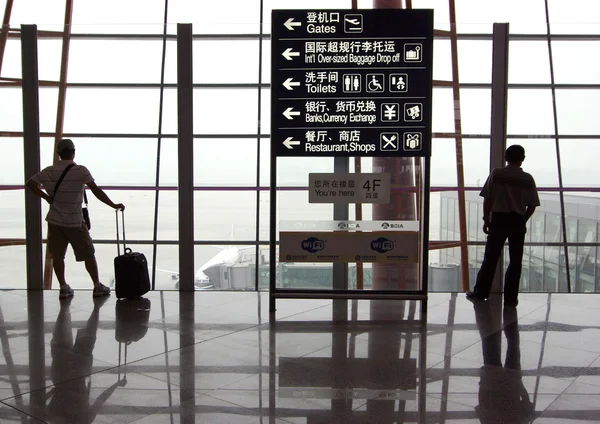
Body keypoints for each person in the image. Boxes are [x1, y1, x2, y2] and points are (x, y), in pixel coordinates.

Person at [25, 138, 125, 299]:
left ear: (58, 154)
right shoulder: (80, 170)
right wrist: (113, 205)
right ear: (73, 152)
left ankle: (63, 287)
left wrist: (46, 197)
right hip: (75, 222)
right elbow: (96, 191)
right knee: (88, 254)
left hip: (55, 221)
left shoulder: (49, 171)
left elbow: (30, 183)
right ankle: (97, 286)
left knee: (58, 255)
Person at [466, 145, 540, 306]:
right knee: (515, 260)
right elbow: (532, 205)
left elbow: (488, 198)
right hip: (518, 221)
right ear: (522, 159)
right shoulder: (528, 179)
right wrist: (523, 219)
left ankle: (481, 292)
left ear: (506, 157)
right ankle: (511, 299)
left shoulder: (497, 174)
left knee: (491, 258)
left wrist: (487, 219)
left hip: (499, 219)